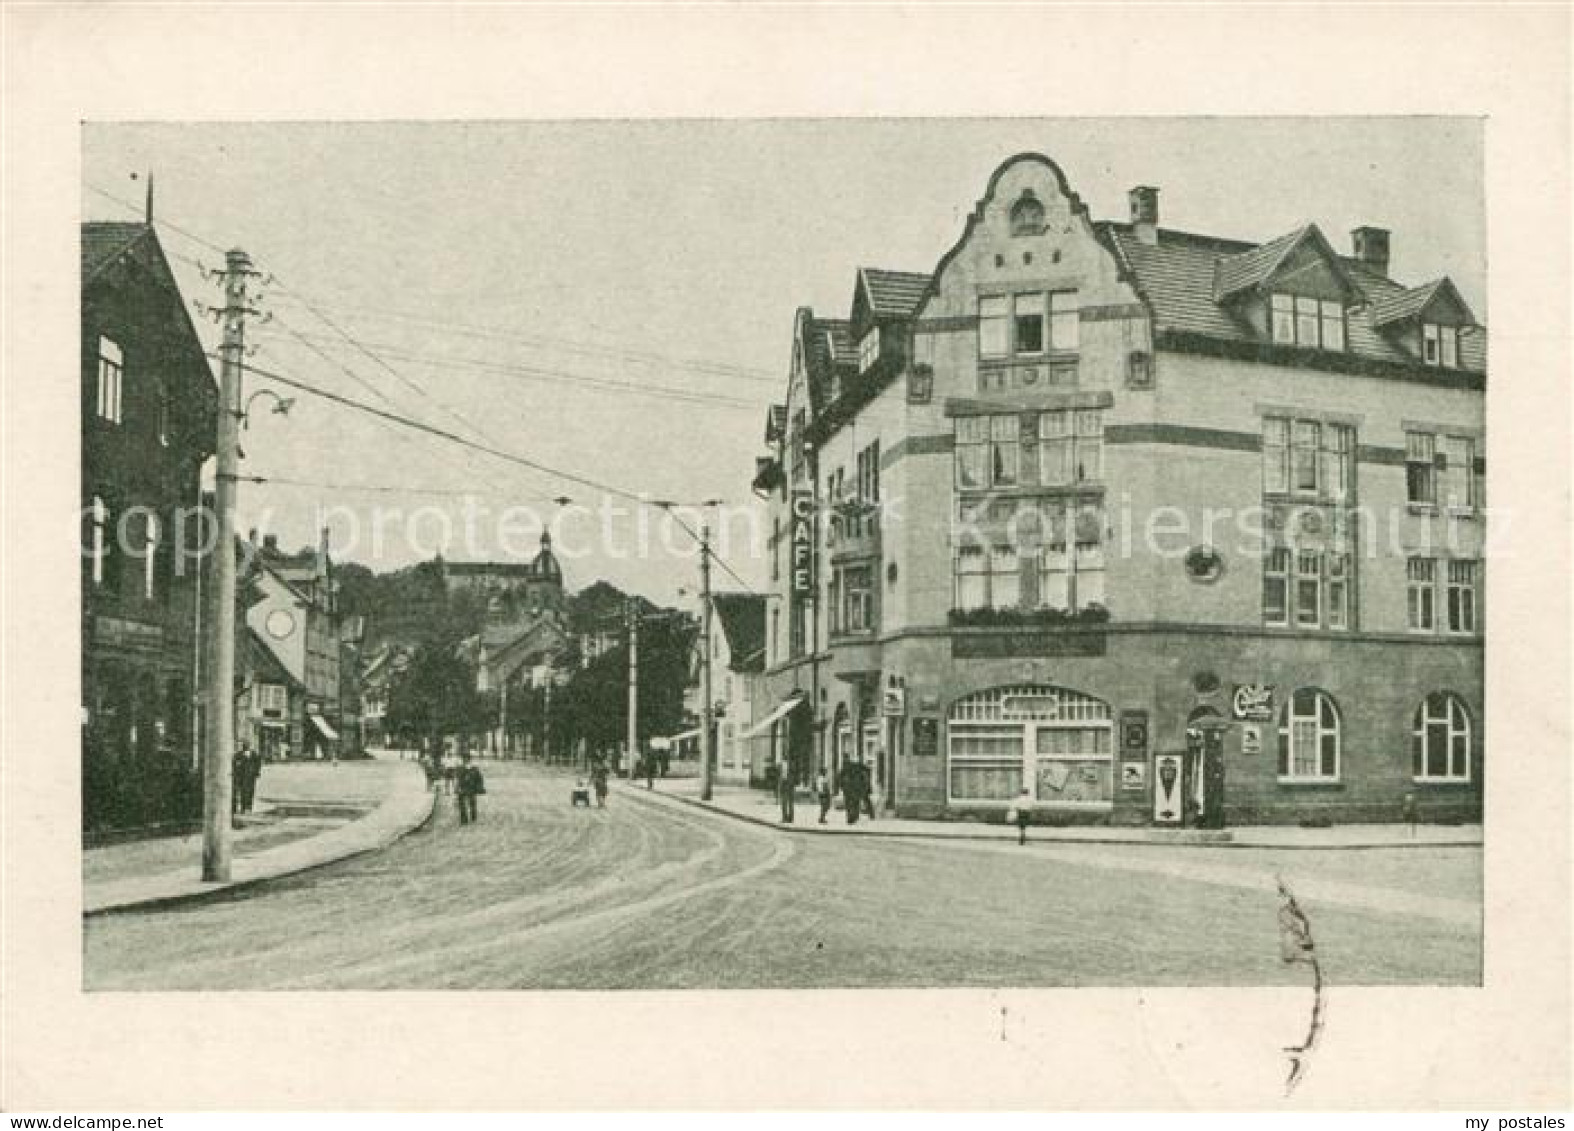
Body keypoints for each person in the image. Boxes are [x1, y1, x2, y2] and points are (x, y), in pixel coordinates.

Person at [456, 753, 485, 825]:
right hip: (462, 787)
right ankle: (464, 819)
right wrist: (457, 787)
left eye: (467, 759)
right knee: (461, 803)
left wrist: (479, 786)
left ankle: (473, 815)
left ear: (469, 759)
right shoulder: (460, 768)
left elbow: (479, 778)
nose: (465, 760)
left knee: (472, 802)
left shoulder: (474, 768)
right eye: (464, 759)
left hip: (471, 787)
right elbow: (457, 778)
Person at [777, 758, 795, 823]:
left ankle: (785, 818)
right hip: (790, 784)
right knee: (790, 802)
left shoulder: (781, 765)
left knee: (785, 802)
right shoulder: (792, 764)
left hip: (786, 784)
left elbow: (780, 776)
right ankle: (790, 818)